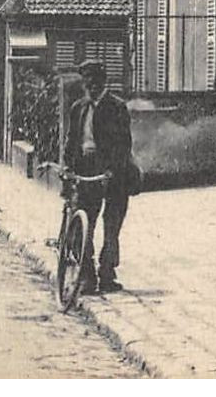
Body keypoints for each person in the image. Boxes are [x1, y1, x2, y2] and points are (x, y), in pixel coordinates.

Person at [64, 59, 135, 294]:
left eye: (95, 82)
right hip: (85, 168)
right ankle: (86, 276)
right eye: (87, 83)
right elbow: (71, 141)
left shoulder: (116, 107)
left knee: (112, 224)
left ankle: (107, 273)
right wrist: (68, 167)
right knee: (84, 221)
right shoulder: (79, 108)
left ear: (104, 82)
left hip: (112, 172)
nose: (91, 87)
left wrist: (112, 170)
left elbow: (123, 144)